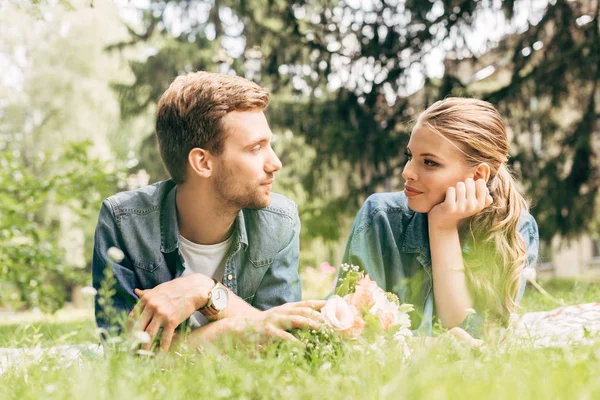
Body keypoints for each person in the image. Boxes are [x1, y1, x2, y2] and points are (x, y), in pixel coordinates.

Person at [92, 71, 324, 352]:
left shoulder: (279, 221)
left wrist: (204, 290)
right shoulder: (123, 222)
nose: (275, 163)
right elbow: (123, 356)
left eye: (269, 145)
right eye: (256, 148)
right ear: (202, 162)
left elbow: (284, 344)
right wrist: (237, 327)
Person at [340, 97, 539, 337]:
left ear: (478, 175)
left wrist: (442, 228)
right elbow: (350, 331)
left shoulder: (513, 228)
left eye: (429, 163)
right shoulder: (380, 217)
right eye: (410, 156)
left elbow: (479, 337)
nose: (407, 172)